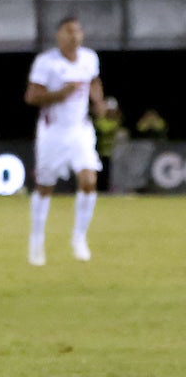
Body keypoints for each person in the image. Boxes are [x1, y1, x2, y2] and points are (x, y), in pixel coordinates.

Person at [23, 15, 106, 266]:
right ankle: (36, 240)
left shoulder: (89, 58)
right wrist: (62, 93)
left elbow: (94, 81)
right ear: (59, 36)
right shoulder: (46, 63)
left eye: (78, 31)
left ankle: (79, 238)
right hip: (53, 132)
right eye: (69, 32)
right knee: (45, 187)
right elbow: (32, 97)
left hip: (80, 130)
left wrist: (98, 102)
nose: (75, 36)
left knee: (89, 180)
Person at [92, 96, 127, 193]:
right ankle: (98, 189)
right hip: (100, 152)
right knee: (99, 172)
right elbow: (102, 128)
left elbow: (109, 128)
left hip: (112, 153)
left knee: (110, 173)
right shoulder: (102, 121)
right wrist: (100, 115)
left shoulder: (115, 122)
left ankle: (108, 189)